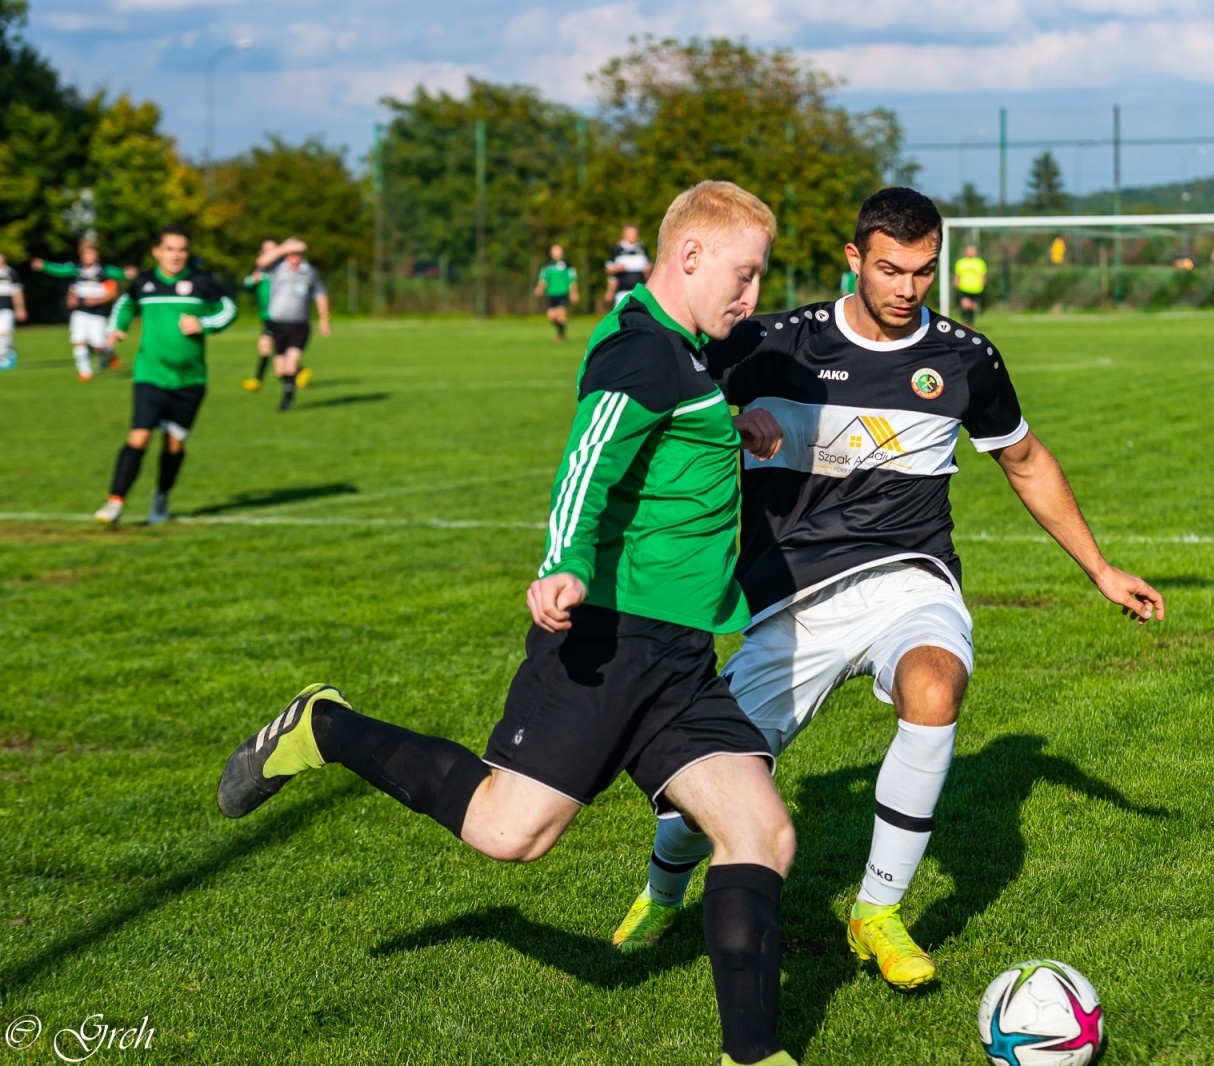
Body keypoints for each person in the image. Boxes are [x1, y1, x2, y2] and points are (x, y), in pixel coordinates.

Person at [216, 181, 800, 1066]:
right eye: (745, 274)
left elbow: (678, 434)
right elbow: (587, 461)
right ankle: (321, 727)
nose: (751, 296)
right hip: (608, 637)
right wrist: (561, 561)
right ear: (689, 257)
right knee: (507, 833)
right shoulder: (643, 354)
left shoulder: (687, 356)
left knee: (762, 832)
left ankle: (754, 1056)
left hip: (680, 655)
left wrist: (736, 427)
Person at [609, 188, 1165, 992]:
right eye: (891, 270)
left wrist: (1101, 568)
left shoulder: (964, 357)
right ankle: (662, 894)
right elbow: (657, 392)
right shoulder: (771, 345)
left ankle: (876, 910)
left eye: (924, 271)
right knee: (702, 791)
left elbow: (1025, 460)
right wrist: (729, 421)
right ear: (854, 260)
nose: (908, 289)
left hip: (911, 579)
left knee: (936, 687)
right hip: (789, 603)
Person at [95, 225, 237, 525]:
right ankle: (115, 501)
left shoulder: (202, 282)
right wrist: (116, 329)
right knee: (139, 435)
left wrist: (204, 324)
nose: (176, 255)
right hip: (150, 373)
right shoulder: (143, 283)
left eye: (182, 250)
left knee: (174, 445)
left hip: (190, 380)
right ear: (156, 252)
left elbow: (229, 308)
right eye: (170, 249)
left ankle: (161, 495)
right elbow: (125, 304)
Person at [33, 240, 128, 379]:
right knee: (78, 340)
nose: (89, 256)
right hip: (80, 311)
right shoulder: (76, 270)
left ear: (96, 255)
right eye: (86, 253)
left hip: (97, 313)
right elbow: (60, 270)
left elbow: (120, 276)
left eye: (91, 253)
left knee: (98, 346)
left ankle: (109, 353)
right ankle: (85, 373)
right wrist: (44, 266)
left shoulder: (104, 270)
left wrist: (129, 273)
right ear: (81, 255)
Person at [255, 237, 329, 410]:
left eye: (298, 253)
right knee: (280, 370)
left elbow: (320, 294)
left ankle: (287, 400)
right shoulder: (277, 269)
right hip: (277, 325)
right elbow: (261, 261)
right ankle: (292, 384)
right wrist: (283, 248)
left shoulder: (309, 271)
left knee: (291, 363)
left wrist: (324, 318)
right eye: (292, 253)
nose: (295, 257)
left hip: (299, 326)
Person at [240, 240, 278, 391]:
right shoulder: (260, 270)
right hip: (266, 316)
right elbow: (246, 284)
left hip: (280, 317)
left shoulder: (282, 270)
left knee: (266, 346)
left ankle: (257, 380)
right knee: (274, 349)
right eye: (267, 251)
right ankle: (299, 372)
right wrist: (252, 280)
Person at [534, 244, 579, 342]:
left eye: (557, 251)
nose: (554, 253)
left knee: (561, 315)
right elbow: (543, 279)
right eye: (553, 251)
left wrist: (573, 293)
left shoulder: (567, 265)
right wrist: (539, 289)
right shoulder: (548, 265)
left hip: (562, 293)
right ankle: (561, 331)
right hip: (551, 294)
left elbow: (572, 280)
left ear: (561, 252)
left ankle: (561, 335)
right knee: (551, 316)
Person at [604, 225, 652, 308]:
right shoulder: (616, 250)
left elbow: (648, 270)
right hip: (622, 291)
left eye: (634, 233)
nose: (633, 235)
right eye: (630, 233)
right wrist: (617, 269)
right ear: (624, 234)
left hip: (639, 290)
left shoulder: (642, 248)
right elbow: (609, 272)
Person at [0, 253, 26, 371]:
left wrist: (20, 308)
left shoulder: (11, 273)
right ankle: (9, 350)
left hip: (6, 307)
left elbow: (17, 292)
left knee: (3, 332)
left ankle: (4, 358)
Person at [953, 243, 987, 326]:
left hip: (976, 289)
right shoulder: (961, 262)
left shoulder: (980, 262)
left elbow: (983, 275)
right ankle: (965, 322)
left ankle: (970, 324)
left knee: (973, 307)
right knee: (965, 305)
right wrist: (956, 284)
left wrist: (984, 283)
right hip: (964, 288)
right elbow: (958, 275)